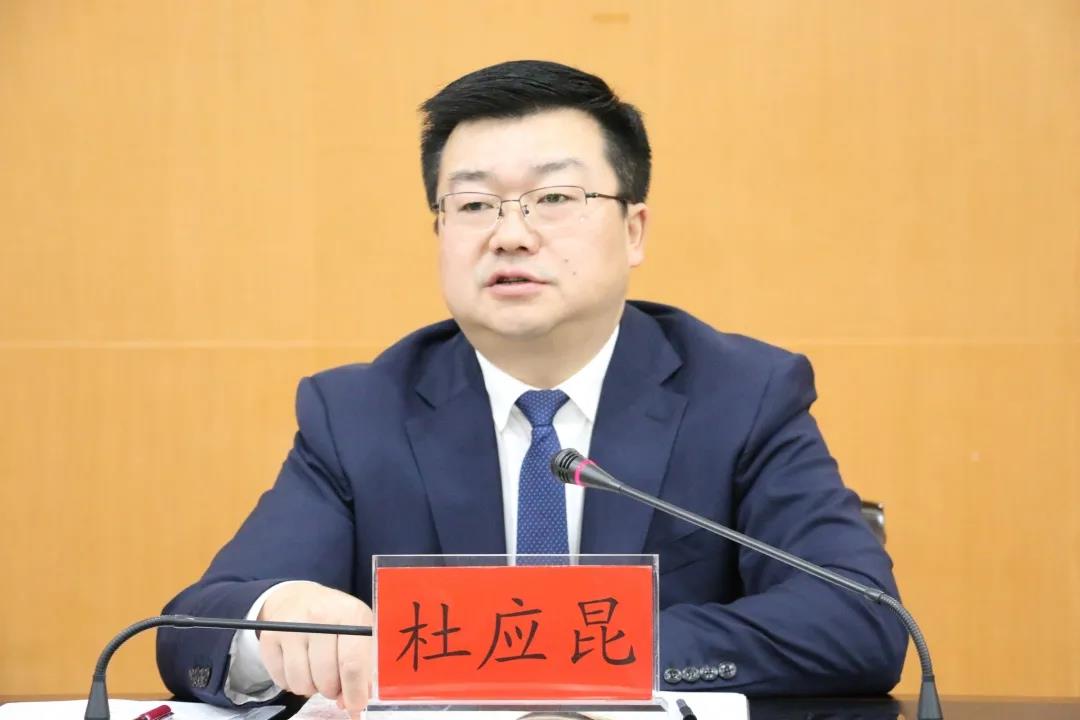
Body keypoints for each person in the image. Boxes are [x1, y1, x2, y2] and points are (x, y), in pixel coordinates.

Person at [156, 60, 907, 713]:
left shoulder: (741, 395)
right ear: (440, 232)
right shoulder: (359, 413)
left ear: (634, 230)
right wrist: (275, 616)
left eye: (554, 199)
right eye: (473, 205)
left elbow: (858, 620)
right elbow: (193, 633)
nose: (510, 234)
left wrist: (546, 653)